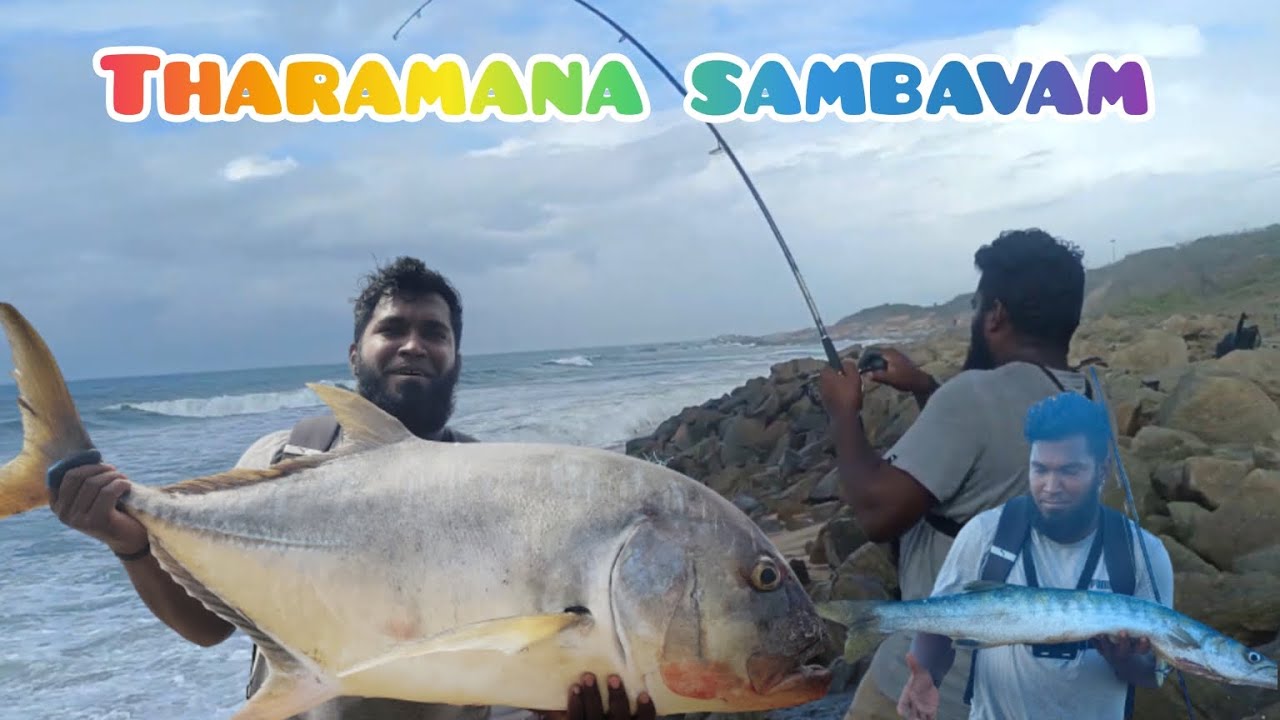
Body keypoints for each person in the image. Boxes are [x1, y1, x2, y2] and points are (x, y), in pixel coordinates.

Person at [46, 257, 654, 720]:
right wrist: (129, 541)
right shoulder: (284, 461)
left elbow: (532, 648)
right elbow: (209, 628)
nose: (413, 344)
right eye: (392, 328)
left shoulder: (499, 489)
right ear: (356, 351)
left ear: (457, 356)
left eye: (434, 332)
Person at [817, 229, 1097, 719]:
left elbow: (878, 511)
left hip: (933, 684)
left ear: (996, 314)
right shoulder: (1089, 398)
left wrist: (843, 412)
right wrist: (926, 386)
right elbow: (988, 456)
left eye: (977, 303)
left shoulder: (973, 398)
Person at [896, 391, 1174, 720]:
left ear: (1103, 471)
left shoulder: (1142, 553)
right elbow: (941, 618)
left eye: (1070, 471)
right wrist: (926, 674)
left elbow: (1152, 674)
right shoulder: (986, 534)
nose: (1050, 486)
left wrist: (1124, 658)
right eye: (1040, 469)